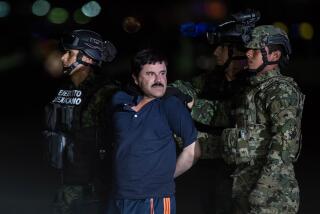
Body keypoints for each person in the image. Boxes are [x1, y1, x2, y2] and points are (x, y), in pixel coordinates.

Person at [220, 25, 305, 213]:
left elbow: (285, 143)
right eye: (249, 49)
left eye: (256, 50)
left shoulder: (280, 90)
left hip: (272, 195)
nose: (248, 54)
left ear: (274, 56)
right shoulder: (253, 89)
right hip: (245, 187)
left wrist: (264, 189)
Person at [105, 48, 201, 214]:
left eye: (162, 73)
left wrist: (163, 178)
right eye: (150, 74)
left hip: (153, 199)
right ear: (135, 78)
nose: (159, 79)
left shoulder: (170, 105)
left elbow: (194, 151)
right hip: (118, 196)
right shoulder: (119, 101)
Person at [43, 29, 118, 214]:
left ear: (89, 58)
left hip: (95, 189)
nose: (63, 58)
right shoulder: (63, 89)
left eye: (70, 53)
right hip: (67, 183)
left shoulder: (108, 93)